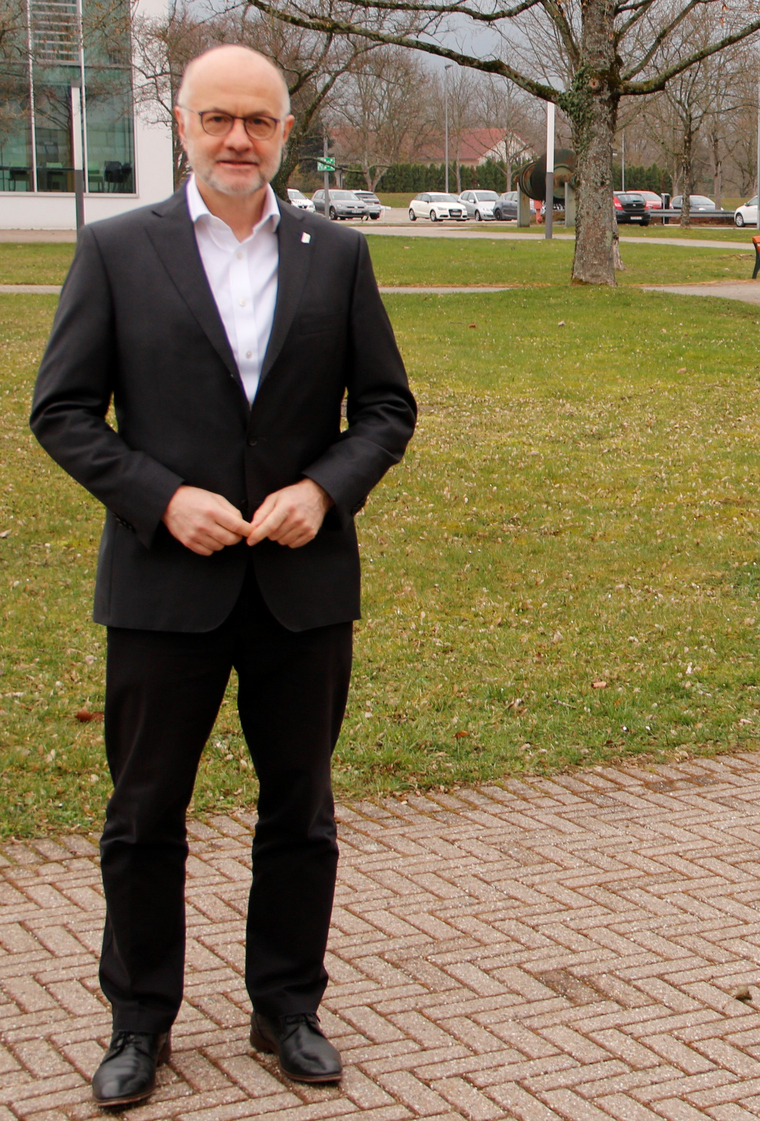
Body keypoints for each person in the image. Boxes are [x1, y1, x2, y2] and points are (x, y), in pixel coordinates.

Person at [30, 44, 416, 1107]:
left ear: (286, 130)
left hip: (301, 586)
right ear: (185, 126)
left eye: (257, 120)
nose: (237, 139)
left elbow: (386, 407)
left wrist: (324, 490)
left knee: (301, 809)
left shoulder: (337, 254)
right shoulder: (117, 250)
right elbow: (62, 410)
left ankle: (287, 1004)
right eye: (217, 119)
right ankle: (138, 1019)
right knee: (144, 813)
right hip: (165, 586)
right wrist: (161, 497)